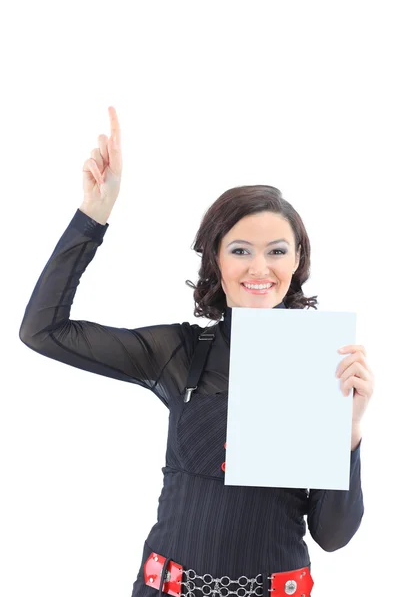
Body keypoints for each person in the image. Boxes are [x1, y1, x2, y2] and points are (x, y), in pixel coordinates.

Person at [19, 106, 374, 597]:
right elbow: (44, 330)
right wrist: (92, 217)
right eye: (240, 248)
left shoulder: (321, 365)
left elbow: (334, 536)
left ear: (297, 260)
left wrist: (349, 434)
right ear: (216, 258)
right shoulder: (180, 351)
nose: (259, 267)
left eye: (276, 250)